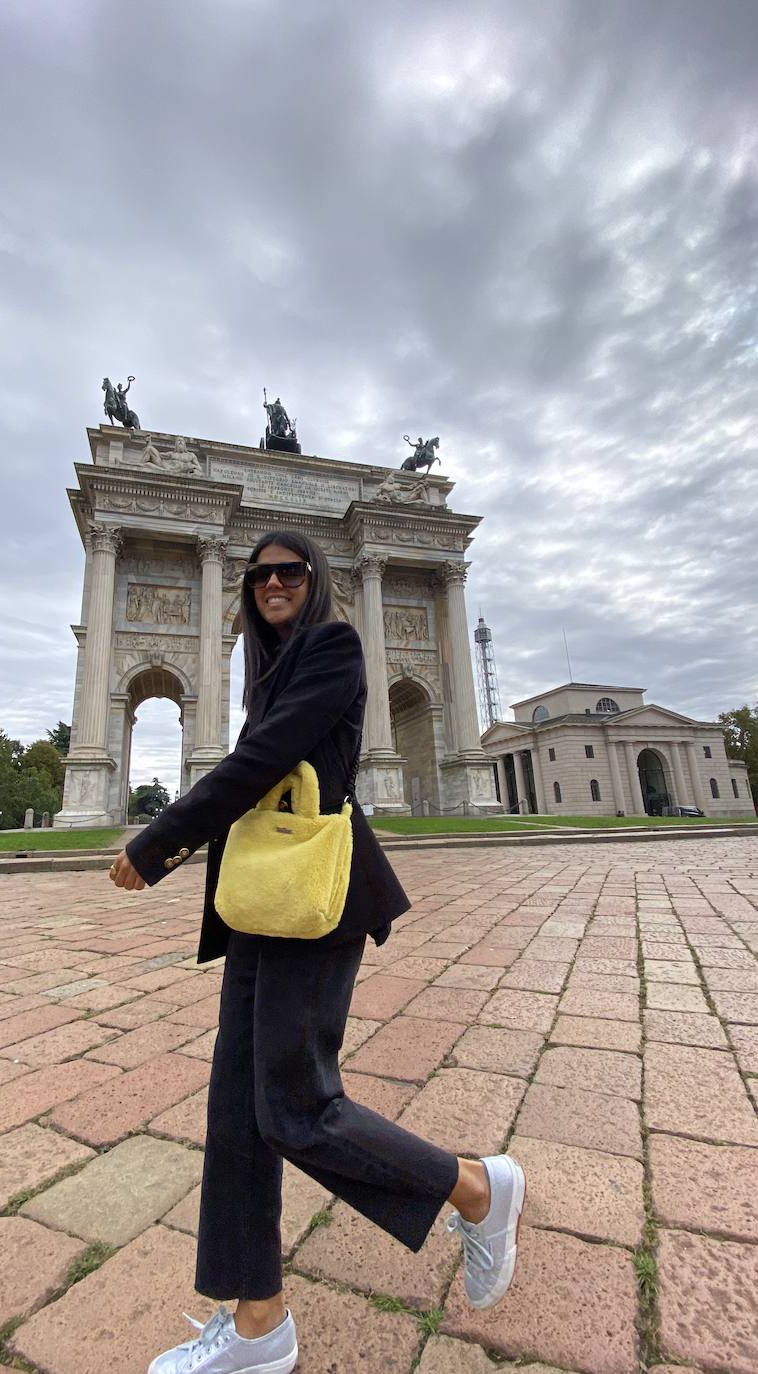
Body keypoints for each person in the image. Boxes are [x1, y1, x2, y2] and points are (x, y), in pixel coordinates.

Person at [109, 531, 526, 1374]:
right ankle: (258, 1325)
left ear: (318, 579)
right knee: (236, 1111)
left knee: (296, 1108)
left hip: (317, 897)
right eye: (257, 574)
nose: (271, 583)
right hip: (263, 903)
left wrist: (161, 840)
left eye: (288, 571)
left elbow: (263, 761)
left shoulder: (334, 645)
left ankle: (476, 1188)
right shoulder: (272, 670)